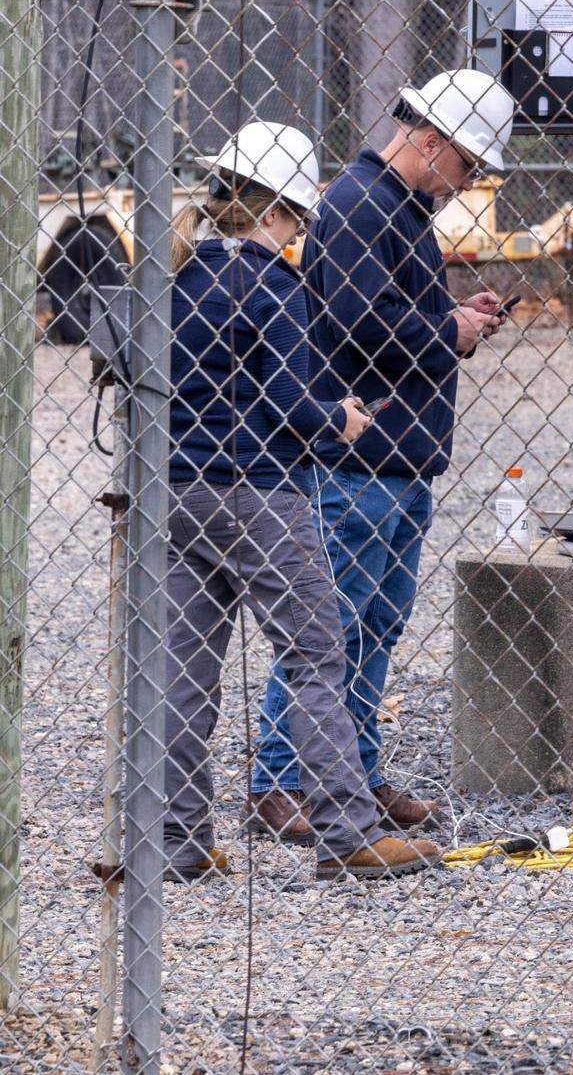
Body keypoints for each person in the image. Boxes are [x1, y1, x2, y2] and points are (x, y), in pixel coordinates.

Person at [164, 121, 443, 882]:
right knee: (318, 651)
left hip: (178, 490)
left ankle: (178, 839)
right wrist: (341, 420)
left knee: (185, 671)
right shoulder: (273, 285)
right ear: (281, 212)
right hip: (259, 493)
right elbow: (290, 402)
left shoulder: (181, 274)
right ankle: (348, 832)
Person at [249, 71, 514, 843]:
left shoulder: (392, 207)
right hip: (359, 461)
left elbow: (383, 311)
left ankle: (352, 773)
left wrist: (452, 315)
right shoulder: (364, 206)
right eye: (467, 165)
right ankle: (281, 781)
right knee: (329, 627)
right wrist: (448, 334)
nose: (468, 183)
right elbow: (360, 322)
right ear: (430, 142)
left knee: (372, 627)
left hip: (395, 460)